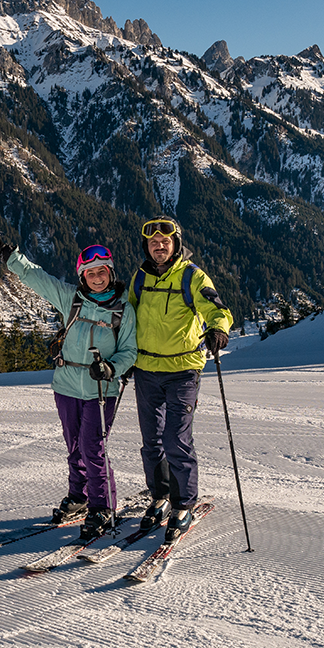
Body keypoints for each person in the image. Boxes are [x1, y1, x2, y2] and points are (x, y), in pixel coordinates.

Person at [0, 231, 138, 538]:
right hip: (66, 385)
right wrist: (10, 254)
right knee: (74, 447)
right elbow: (35, 277)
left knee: (93, 448)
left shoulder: (123, 310)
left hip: (101, 389)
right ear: (83, 276)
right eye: (90, 273)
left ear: (110, 273)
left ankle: (102, 506)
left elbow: (129, 351)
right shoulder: (71, 299)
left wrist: (111, 367)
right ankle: (79, 498)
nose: (96, 277)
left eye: (101, 271)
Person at [128, 215, 233, 543]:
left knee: (176, 438)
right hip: (145, 370)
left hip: (183, 371)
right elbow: (126, 316)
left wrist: (218, 329)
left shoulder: (191, 275)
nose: (159, 247)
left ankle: (183, 503)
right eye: (153, 243)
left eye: (165, 242)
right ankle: (160, 496)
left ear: (176, 244)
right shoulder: (140, 278)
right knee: (151, 441)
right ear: (147, 246)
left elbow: (219, 310)